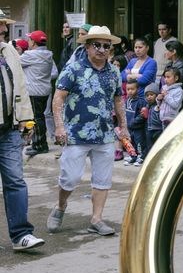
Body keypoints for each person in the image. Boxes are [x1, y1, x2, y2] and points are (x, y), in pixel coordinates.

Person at [48, 25, 131, 237]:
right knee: (70, 178)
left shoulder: (113, 71)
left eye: (107, 46)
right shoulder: (73, 69)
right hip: (76, 134)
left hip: (104, 134)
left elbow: (118, 99)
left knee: (103, 179)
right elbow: (59, 98)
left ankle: (96, 219)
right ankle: (61, 206)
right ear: (87, 47)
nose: (102, 50)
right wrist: (59, 126)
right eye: (97, 45)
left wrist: (124, 126)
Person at [0, 17, 44, 252]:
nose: (4, 29)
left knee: (15, 182)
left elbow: (21, 87)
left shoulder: (8, 51)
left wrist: (27, 121)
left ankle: (21, 235)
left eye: (3, 24)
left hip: (9, 130)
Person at [20, 31, 56, 156]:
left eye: (29, 40)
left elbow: (15, 63)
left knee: (37, 118)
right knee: (39, 117)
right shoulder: (48, 54)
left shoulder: (30, 55)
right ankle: (38, 144)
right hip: (44, 90)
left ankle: (40, 145)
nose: (28, 42)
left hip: (34, 91)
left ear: (34, 43)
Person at [123, 76, 147, 165]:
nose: (130, 91)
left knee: (139, 143)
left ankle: (141, 157)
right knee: (131, 142)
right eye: (128, 89)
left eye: (132, 89)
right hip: (129, 127)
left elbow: (143, 115)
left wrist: (134, 122)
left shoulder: (141, 101)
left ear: (137, 89)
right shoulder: (127, 100)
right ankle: (133, 156)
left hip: (137, 128)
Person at [142, 82, 162, 156]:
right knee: (150, 146)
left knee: (157, 146)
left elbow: (160, 119)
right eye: (147, 95)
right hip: (149, 129)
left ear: (156, 95)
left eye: (151, 94)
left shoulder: (158, 106)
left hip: (158, 129)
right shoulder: (147, 106)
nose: (149, 97)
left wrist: (157, 112)